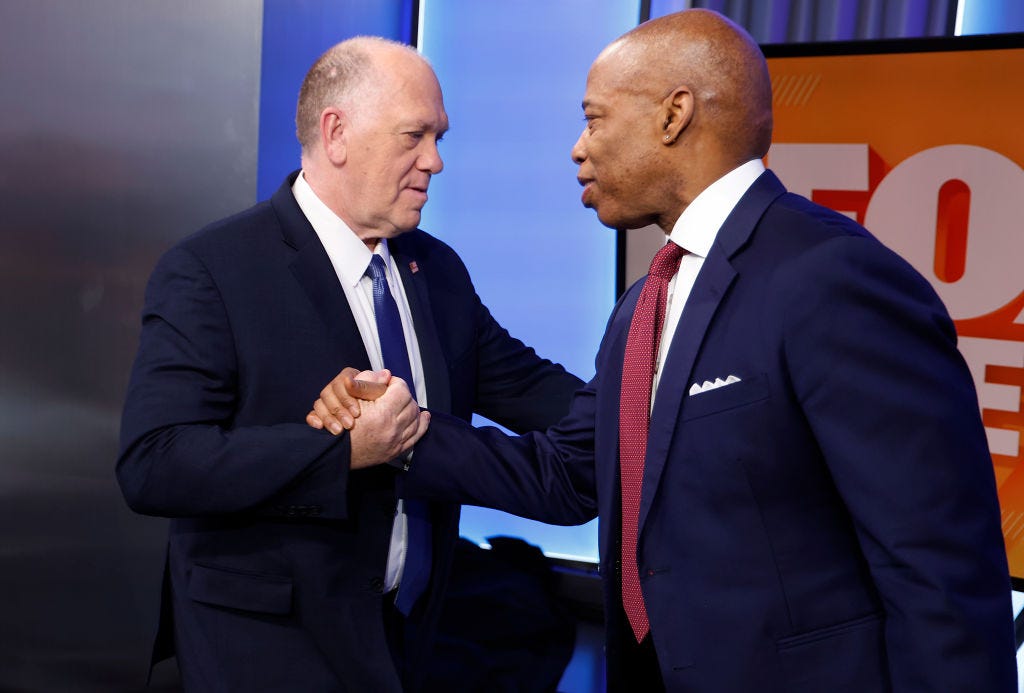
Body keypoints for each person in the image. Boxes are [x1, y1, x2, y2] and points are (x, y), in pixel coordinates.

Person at [312, 10, 1017, 691]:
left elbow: (939, 564)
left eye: (594, 120)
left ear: (674, 116)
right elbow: (570, 472)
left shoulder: (832, 277)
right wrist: (403, 433)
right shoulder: (645, 302)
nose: (578, 148)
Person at [116, 36, 582, 692]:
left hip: (408, 640)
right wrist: (342, 454)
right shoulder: (212, 269)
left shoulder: (437, 268)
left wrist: (658, 406)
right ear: (336, 133)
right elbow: (155, 463)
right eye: (414, 136)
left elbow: (531, 386)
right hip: (264, 651)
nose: (435, 161)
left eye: (439, 137)